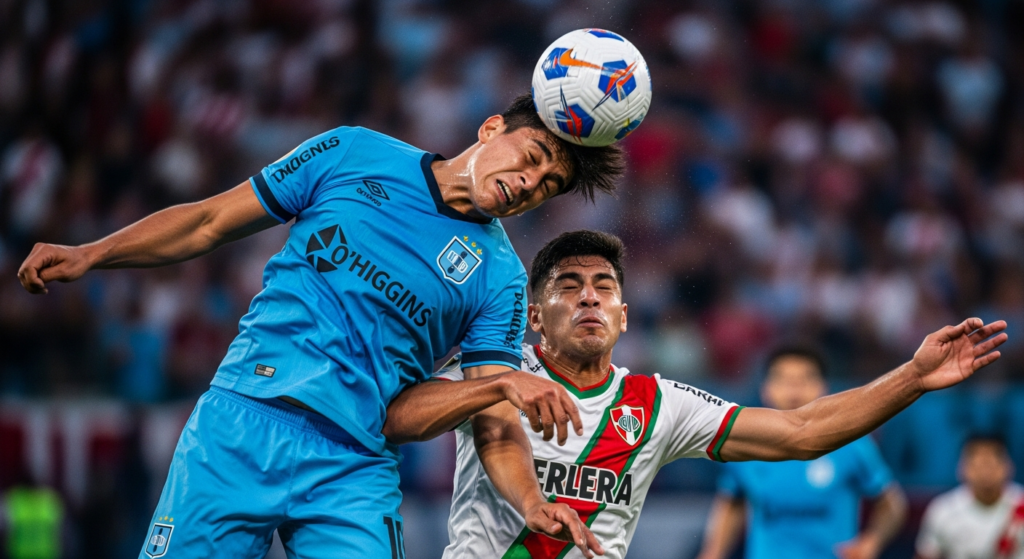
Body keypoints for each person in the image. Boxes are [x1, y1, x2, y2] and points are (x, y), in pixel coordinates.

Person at [16, 95, 623, 559]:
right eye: (534, 157)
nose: (530, 183)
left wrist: (530, 500)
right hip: (240, 425)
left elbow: (495, 421)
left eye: (548, 186)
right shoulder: (352, 152)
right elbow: (207, 222)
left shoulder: (500, 277)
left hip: (353, 465)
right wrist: (92, 253)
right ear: (492, 128)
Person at [382, 229, 1008, 559]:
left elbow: (801, 432)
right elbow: (398, 419)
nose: (590, 297)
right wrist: (494, 384)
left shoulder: (660, 405)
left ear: (625, 315)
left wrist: (915, 378)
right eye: (568, 286)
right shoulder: (496, 369)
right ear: (535, 316)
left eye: (603, 286)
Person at [696, 347, 908, 559]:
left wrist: (872, 542)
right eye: (785, 380)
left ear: (823, 388)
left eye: (804, 380)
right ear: (766, 389)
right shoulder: (747, 444)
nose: (794, 391)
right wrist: (713, 552)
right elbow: (732, 502)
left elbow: (891, 505)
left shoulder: (851, 442)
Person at [916, 436, 1024, 559]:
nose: (985, 472)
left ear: (1009, 467)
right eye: (978, 464)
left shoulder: (1021, 503)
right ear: (962, 468)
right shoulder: (943, 510)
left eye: (992, 462)